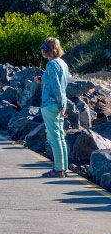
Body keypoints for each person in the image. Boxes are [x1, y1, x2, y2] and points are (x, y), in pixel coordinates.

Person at [38, 37, 71, 178]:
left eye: (44, 49)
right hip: (60, 102)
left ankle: (58, 170)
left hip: (51, 103)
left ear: (48, 50)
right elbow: (61, 83)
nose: (42, 51)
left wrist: (59, 104)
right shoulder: (62, 63)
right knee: (60, 137)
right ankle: (63, 168)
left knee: (53, 137)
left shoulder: (51, 65)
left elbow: (56, 86)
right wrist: (63, 105)